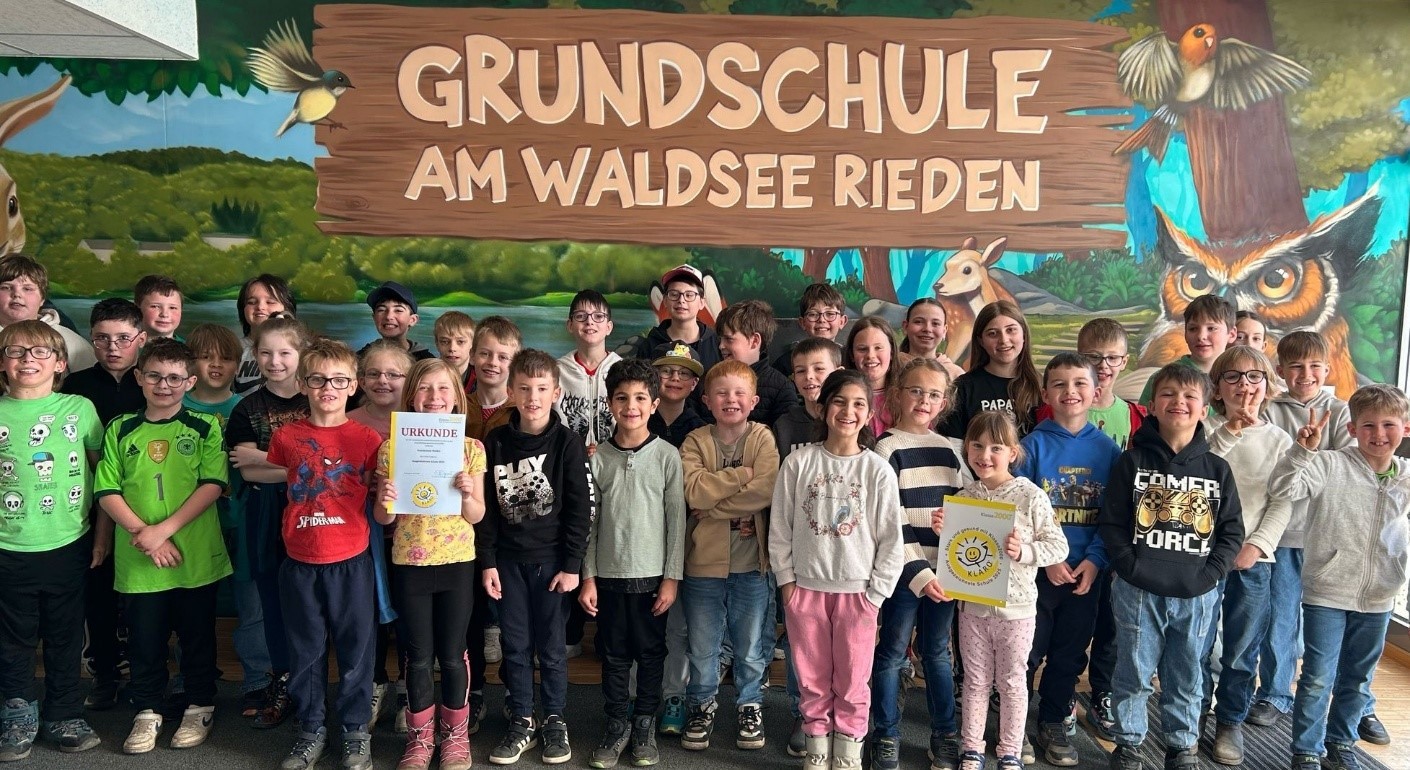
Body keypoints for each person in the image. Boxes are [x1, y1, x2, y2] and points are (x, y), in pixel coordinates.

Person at [1099, 363, 1244, 770]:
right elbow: (1112, 523)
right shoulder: (1131, 462)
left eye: (1189, 396)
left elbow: (1232, 531)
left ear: (1204, 410)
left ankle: (1182, 745)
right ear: (1151, 405)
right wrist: (1129, 567)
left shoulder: (1217, 470)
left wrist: (1209, 575)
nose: (1178, 402)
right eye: (1168, 393)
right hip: (1137, 590)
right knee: (1133, 672)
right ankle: (1129, 744)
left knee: (1186, 675)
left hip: (1195, 594)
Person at [94, 338, 231, 753]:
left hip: (194, 554)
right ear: (139, 377)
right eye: (154, 376)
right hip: (140, 559)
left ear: (190, 382)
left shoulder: (205, 427)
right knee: (144, 639)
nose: (164, 385)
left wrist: (164, 530)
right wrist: (146, 535)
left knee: (197, 635)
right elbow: (107, 490)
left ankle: (199, 704)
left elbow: (213, 484)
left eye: (174, 378)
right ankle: (147, 709)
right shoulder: (120, 428)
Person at [1271, 384, 1410, 770]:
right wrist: (1302, 452)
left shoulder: (1405, 476)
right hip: (1327, 592)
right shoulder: (1329, 465)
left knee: (1358, 677)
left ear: (1405, 428)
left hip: (1379, 596)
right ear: (1352, 429)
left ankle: (1341, 742)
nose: (1379, 434)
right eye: (1368, 425)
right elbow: (1283, 487)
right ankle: (1306, 749)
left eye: (1389, 425)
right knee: (1317, 676)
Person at [771, 368, 904, 770]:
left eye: (858, 404)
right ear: (824, 407)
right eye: (840, 401)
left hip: (858, 594)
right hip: (806, 591)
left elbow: (891, 539)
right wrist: (788, 583)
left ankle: (848, 752)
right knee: (811, 677)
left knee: (852, 679)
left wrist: (875, 595)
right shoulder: (798, 463)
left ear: (870, 413)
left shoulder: (877, 470)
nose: (848, 411)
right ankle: (817, 746)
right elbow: (780, 528)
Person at [265, 338, 383, 770]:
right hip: (299, 561)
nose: (327, 388)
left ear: (353, 385)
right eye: (317, 380)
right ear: (302, 384)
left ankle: (354, 729)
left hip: (351, 561)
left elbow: (373, 490)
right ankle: (311, 728)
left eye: (338, 380)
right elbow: (282, 476)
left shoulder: (366, 438)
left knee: (356, 651)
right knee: (306, 651)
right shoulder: (286, 436)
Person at [480, 349, 595, 766]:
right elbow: (487, 511)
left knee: (551, 648)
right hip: (508, 563)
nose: (533, 397)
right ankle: (522, 719)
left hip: (552, 565)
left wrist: (571, 566)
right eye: (525, 389)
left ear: (556, 393)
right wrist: (487, 561)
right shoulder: (495, 443)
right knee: (514, 645)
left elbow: (580, 510)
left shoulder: (567, 443)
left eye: (542, 389)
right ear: (511, 392)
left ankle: (554, 719)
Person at [375, 358, 487, 770]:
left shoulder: (471, 449)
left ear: (457, 398)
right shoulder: (392, 448)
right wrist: (385, 498)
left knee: (454, 654)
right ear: (411, 397)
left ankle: (456, 737)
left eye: (443, 388)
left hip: (457, 562)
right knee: (418, 656)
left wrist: (467, 493)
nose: (434, 396)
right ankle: (420, 739)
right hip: (409, 561)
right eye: (424, 388)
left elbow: (476, 515)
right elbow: (383, 519)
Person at [0, 321, 104, 760]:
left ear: (60, 363)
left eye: (40, 351)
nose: (28, 359)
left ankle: (64, 712)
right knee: (13, 638)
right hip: (8, 548)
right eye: (16, 350)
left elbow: (104, 476)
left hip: (68, 542)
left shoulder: (79, 409)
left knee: (65, 635)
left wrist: (102, 537)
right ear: (2, 362)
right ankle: (18, 713)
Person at [1250, 332, 1363, 736]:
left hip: (1328, 536)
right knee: (1280, 618)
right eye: (1296, 366)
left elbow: (1345, 470)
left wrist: (1304, 459)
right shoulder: (1268, 410)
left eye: (1315, 366)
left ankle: (1359, 703)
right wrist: (1306, 458)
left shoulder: (1341, 411)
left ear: (1327, 369)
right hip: (1282, 534)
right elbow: (1271, 468)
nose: (1306, 374)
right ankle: (1275, 693)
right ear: (1281, 371)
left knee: (1340, 621)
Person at [582, 359, 686, 769]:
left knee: (651, 652)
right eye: (622, 398)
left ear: (654, 404)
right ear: (610, 403)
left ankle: (644, 722)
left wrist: (671, 577)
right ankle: (616, 723)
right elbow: (590, 524)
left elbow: (676, 522)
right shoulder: (598, 459)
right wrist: (588, 576)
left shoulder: (667, 456)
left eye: (641, 398)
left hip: (652, 578)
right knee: (614, 654)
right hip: (608, 577)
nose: (631, 406)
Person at [1019, 354, 1122, 767]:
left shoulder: (1109, 451)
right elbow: (1018, 511)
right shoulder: (1031, 447)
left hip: (1085, 574)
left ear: (1096, 392)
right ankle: (1013, 724)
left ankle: (1052, 721)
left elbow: (1114, 516)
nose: (1070, 391)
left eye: (1080, 383)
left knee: (1069, 654)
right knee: (1026, 652)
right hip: (1036, 575)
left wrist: (1095, 561)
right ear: (1046, 394)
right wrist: (1046, 559)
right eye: (1059, 384)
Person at [949, 412, 1067, 770]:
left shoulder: (1030, 496)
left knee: (1013, 683)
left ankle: (1010, 751)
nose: (985, 455)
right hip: (972, 608)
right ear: (967, 449)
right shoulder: (964, 496)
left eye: (996, 448)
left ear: (1013, 453)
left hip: (1017, 610)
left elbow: (1058, 546)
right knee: (975, 682)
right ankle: (972, 748)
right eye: (977, 446)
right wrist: (945, 531)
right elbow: (959, 551)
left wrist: (1025, 551)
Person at [869, 357, 969, 770]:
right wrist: (920, 574)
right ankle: (886, 733)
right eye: (915, 391)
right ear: (897, 395)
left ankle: (944, 733)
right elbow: (890, 521)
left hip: (945, 577)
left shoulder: (951, 450)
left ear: (944, 402)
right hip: (904, 575)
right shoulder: (886, 448)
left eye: (933, 394)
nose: (924, 400)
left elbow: (967, 512)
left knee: (938, 654)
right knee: (893, 652)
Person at [679, 360, 779, 753]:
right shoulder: (695, 441)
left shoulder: (763, 438)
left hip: (751, 566)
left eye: (739, 393)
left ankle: (749, 706)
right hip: (702, 565)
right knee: (703, 646)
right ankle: (701, 705)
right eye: (721, 393)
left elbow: (766, 490)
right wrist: (740, 476)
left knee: (750, 647)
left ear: (753, 400)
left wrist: (714, 510)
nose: (730, 399)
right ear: (706, 400)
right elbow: (693, 492)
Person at [1202, 346, 1293, 766]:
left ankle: (1230, 721)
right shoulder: (1202, 429)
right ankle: (1191, 715)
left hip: (1252, 561)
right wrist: (1230, 431)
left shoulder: (1279, 440)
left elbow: (1282, 500)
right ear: (1217, 388)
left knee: (1241, 648)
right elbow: (1198, 474)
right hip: (1202, 557)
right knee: (1195, 643)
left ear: (1267, 385)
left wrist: (1256, 545)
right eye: (1233, 377)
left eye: (1254, 376)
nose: (1245, 385)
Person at [225, 314, 311, 730]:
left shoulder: (319, 398)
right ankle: (282, 680)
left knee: (312, 601)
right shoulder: (247, 408)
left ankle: (312, 684)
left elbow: (335, 463)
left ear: (301, 354)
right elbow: (247, 470)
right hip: (266, 512)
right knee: (272, 602)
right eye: (265, 353)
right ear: (254, 355)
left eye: (284, 353)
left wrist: (269, 459)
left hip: (316, 510)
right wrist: (306, 466)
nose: (275, 362)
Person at [60, 298, 146, 710]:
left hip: (147, 505)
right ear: (91, 340)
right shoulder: (75, 387)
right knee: (98, 594)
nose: (113, 347)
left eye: (123, 338)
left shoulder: (152, 383)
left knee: (144, 598)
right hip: (91, 507)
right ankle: (105, 673)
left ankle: (145, 676)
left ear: (141, 339)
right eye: (102, 339)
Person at [182, 323, 271, 718]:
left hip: (243, 518)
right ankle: (192, 680)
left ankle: (257, 681)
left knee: (252, 604)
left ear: (239, 363)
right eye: (205, 357)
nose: (216, 365)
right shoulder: (177, 406)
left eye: (226, 358)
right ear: (191, 362)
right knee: (192, 606)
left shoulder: (246, 408)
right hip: (192, 523)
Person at [1067, 318, 1145, 740]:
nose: (1103, 366)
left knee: (1111, 624)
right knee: (1070, 623)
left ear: (1124, 362)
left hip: (1116, 535)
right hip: (1071, 534)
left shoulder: (1133, 416)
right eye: (1093, 357)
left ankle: (1102, 693)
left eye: (1112, 358)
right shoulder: (1059, 408)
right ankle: (1062, 692)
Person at [348, 340, 414, 731]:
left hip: (411, 538)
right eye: (373, 373)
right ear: (360, 380)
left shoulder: (424, 423)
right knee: (365, 617)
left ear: (409, 379)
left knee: (409, 617)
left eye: (393, 374)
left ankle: (408, 689)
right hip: (358, 538)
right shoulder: (346, 421)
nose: (383, 381)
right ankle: (374, 684)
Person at [463, 315, 522, 731]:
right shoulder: (454, 405)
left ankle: (516, 694)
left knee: (512, 620)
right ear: (471, 355)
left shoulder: (525, 410)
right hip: (460, 528)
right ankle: (475, 692)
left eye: (503, 356)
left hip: (510, 530)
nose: (492, 362)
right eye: (485, 353)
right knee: (469, 618)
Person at [941, 301, 1041, 440]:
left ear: (1024, 334)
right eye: (993, 333)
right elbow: (955, 445)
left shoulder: (1041, 385)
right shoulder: (963, 388)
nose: (1003, 340)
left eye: (1011, 330)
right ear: (981, 341)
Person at [0, 254, 95, 371]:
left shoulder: (68, 340)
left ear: (42, 299)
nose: (17, 294)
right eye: (6, 287)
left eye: (27, 289)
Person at [1138, 294, 1236, 407]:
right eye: (1193, 329)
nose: (1201, 336)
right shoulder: (1162, 379)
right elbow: (1142, 417)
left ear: (1232, 334)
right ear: (1185, 333)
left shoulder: (1241, 379)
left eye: (1211, 328)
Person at [715, 299, 798, 426]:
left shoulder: (781, 388)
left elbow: (786, 432)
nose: (721, 346)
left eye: (729, 339)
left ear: (754, 341)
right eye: (720, 339)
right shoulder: (709, 380)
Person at [556, 289, 621, 450]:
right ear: (570, 325)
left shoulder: (624, 371)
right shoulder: (555, 372)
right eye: (581, 316)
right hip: (567, 459)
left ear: (609, 327)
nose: (589, 322)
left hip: (614, 458)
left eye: (598, 316)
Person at [632, 264, 721, 377]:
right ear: (665, 301)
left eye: (689, 295)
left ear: (702, 302)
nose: (681, 300)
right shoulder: (649, 345)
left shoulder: (716, 344)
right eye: (674, 294)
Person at [774, 338, 841, 460]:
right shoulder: (783, 426)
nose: (809, 376)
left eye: (819, 369)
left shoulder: (849, 421)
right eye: (801, 371)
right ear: (793, 377)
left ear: (838, 373)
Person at [233, 274, 297, 395]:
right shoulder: (233, 349)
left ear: (287, 307)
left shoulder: (304, 349)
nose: (260, 307)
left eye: (270, 302)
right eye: (252, 302)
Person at [771, 283, 849, 377]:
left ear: (842, 321)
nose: (822, 320)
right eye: (813, 314)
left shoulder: (850, 361)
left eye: (830, 314)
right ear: (802, 322)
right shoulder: (785, 364)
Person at [844, 316, 901, 436]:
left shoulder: (905, 396)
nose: (870, 355)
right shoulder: (840, 396)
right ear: (852, 355)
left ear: (891, 352)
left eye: (878, 348)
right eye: (862, 349)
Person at [647, 343, 707, 449]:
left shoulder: (701, 431)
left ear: (694, 383)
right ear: (653, 378)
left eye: (684, 373)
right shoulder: (638, 421)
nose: (675, 378)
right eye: (666, 371)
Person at [359, 281, 435, 361]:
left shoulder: (427, 362)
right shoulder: (359, 359)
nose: (389, 316)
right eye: (381, 310)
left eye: (398, 310)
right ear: (374, 318)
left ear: (412, 320)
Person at [899, 298, 964, 379]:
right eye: (918, 322)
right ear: (905, 327)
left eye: (935, 323)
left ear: (944, 331)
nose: (927, 329)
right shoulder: (890, 366)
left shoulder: (957, 375)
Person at [434, 311, 476, 391]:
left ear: (473, 344)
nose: (452, 348)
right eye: (445, 342)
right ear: (437, 344)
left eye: (461, 342)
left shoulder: (482, 379)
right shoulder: (426, 377)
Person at [133, 275, 183, 340]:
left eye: (172, 308)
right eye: (155, 306)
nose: (164, 314)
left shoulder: (190, 346)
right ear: (137, 308)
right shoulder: (123, 345)